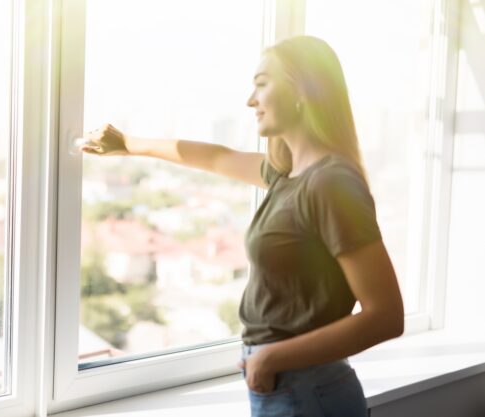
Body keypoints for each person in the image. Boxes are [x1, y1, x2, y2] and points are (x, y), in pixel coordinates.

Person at [78, 35, 404, 417]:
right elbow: (217, 157)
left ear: (302, 89)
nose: (251, 100)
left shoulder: (330, 183)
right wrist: (127, 143)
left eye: (262, 84)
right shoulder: (289, 175)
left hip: (308, 393)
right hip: (288, 387)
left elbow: (386, 316)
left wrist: (271, 357)